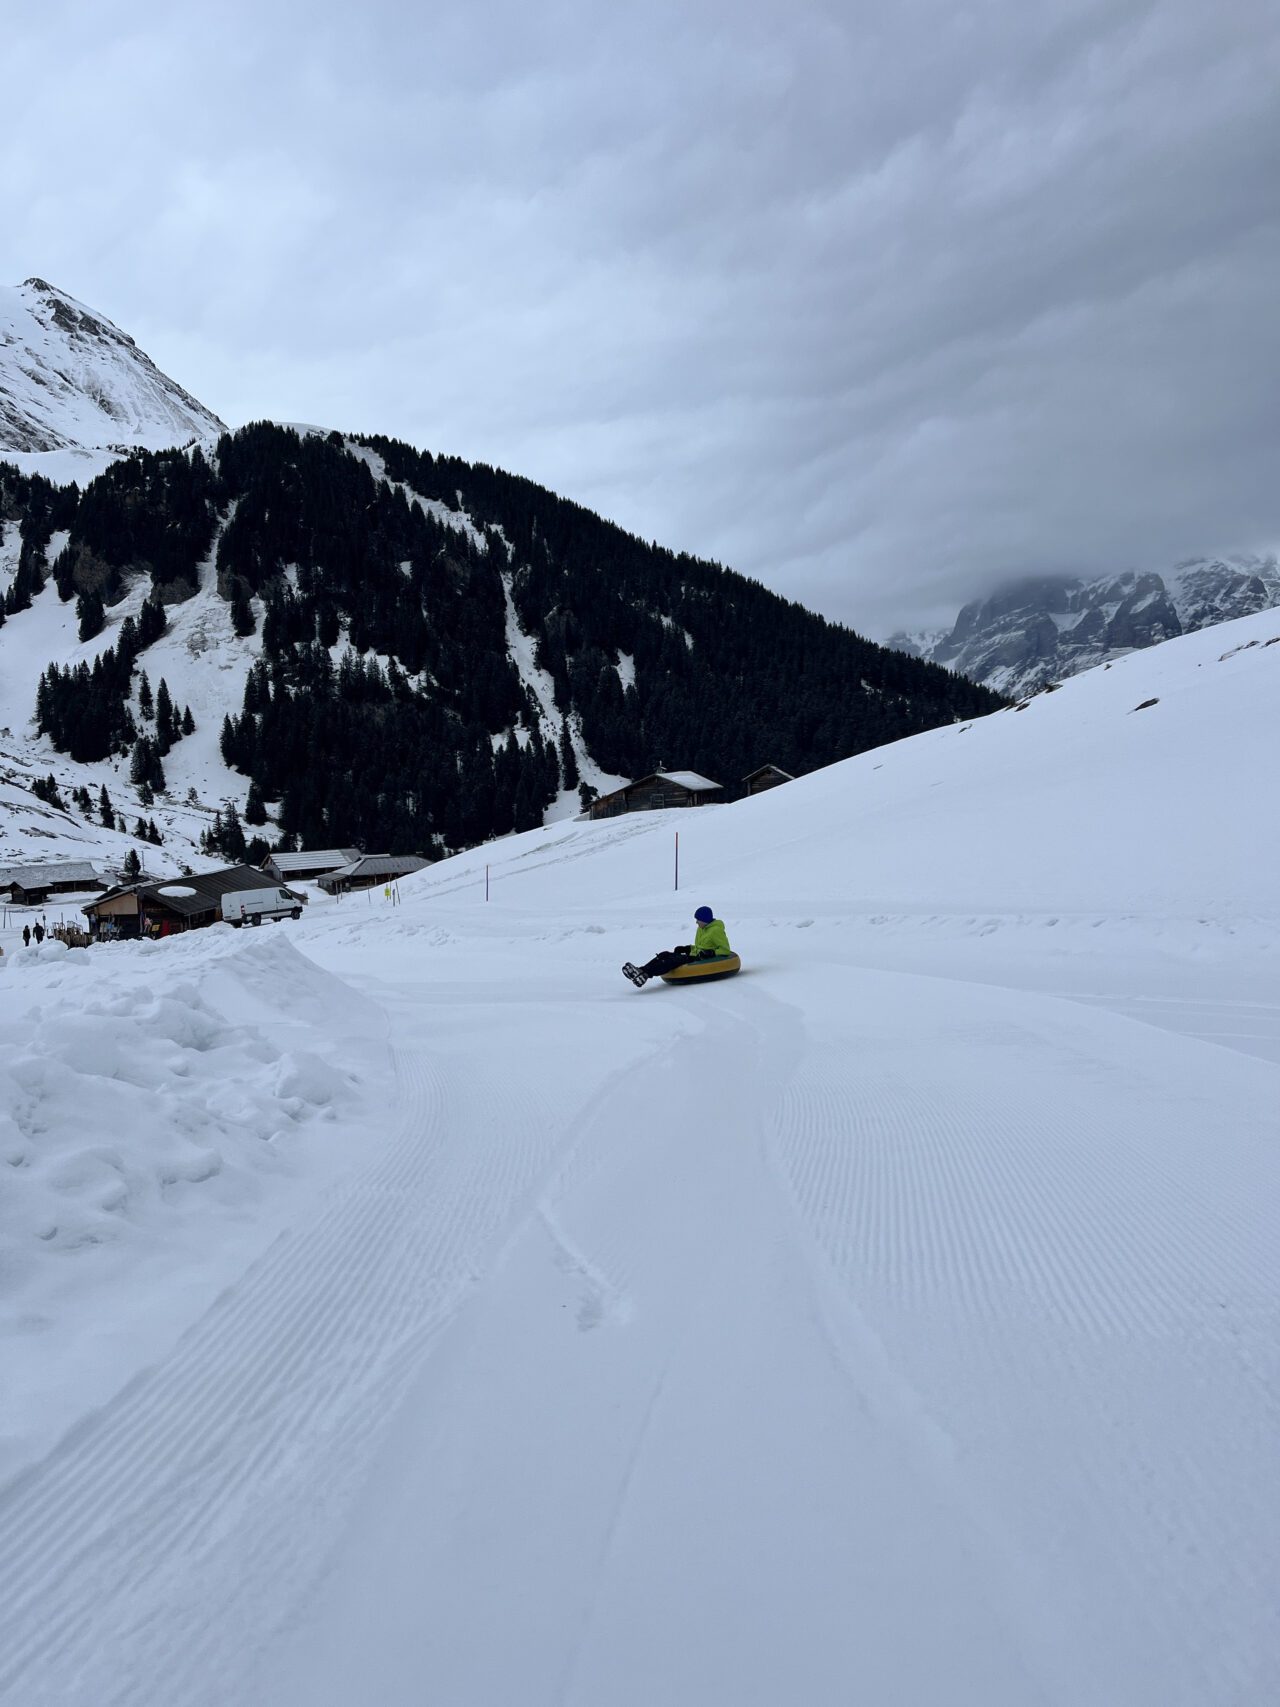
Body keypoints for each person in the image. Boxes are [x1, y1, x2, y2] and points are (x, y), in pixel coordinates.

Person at [623, 906, 732, 987]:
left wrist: (712, 953)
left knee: (673, 960)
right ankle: (640, 971)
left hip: (703, 958)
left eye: (698, 920)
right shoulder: (702, 929)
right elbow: (701, 946)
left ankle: (646, 974)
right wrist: (688, 948)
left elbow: (725, 949)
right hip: (695, 954)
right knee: (664, 954)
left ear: (705, 919)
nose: (696, 922)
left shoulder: (716, 931)